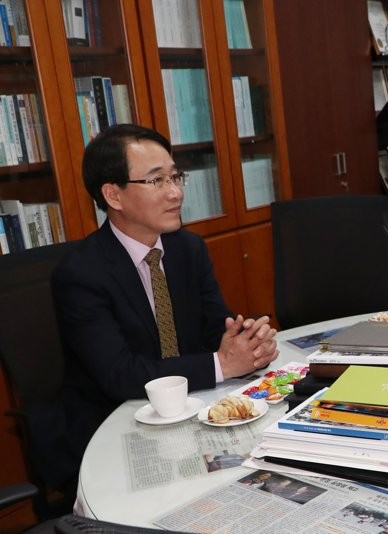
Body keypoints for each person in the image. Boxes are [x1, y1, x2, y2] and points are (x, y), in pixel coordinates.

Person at [45, 124, 279, 494]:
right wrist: (223, 364)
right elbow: (120, 374)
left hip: (190, 414)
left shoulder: (188, 248)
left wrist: (246, 343)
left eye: (175, 176)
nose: (176, 192)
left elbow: (214, 328)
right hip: (114, 430)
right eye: (157, 181)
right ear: (113, 195)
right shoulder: (80, 274)